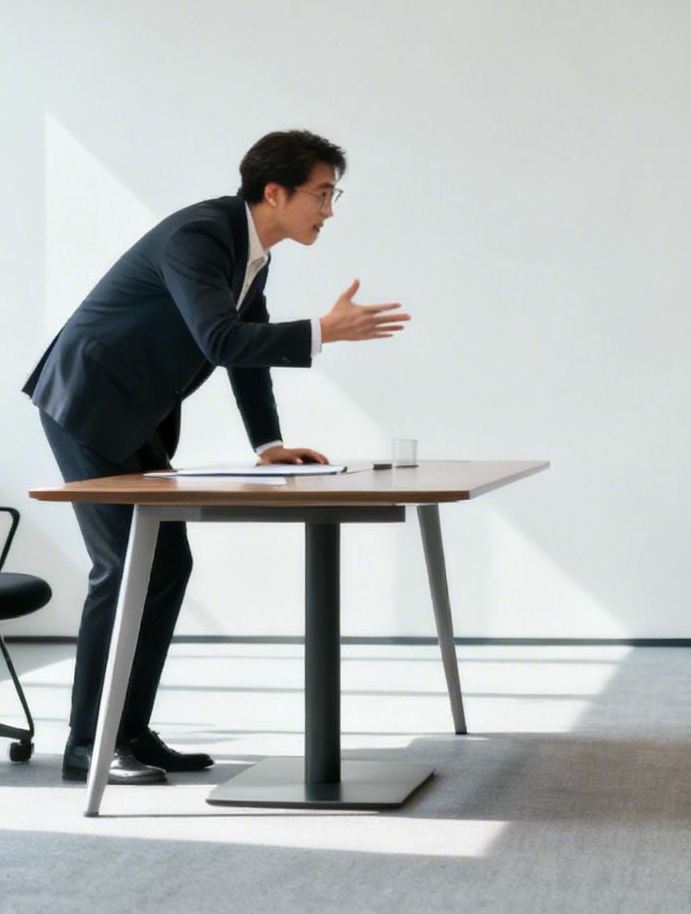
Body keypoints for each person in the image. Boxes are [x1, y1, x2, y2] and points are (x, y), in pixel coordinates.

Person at [24, 129, 410, 785]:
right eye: (321, 194)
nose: (329, 210)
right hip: (88, 402)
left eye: (332, 196)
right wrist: (323, 331)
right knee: (122, 568)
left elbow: (246, 353)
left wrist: (268, 445)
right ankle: (88, 745)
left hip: (137, 411)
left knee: (166, 564)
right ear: (275, 192)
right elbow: (221, 340)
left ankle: (130, 732)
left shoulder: (251, 254)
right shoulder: (200, 237)